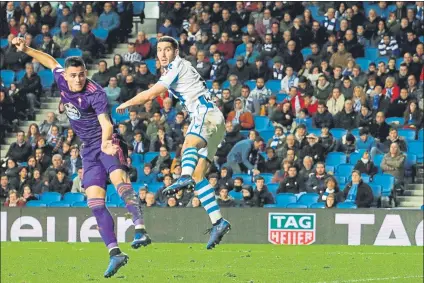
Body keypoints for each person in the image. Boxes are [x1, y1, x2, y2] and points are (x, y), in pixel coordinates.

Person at [11, 37, 150, 278]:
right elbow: (49, 60)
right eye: (73, 75)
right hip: (87, 148)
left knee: (120, 182)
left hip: (107, 143)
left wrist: (107, 142)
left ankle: (140, 229)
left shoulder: (96, 93)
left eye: (82, 75)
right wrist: (26, 49)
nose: (77, 79)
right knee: (94, 202)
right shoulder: (61, 77)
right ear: (67, 74)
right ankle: (115, 253)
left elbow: (105, 123)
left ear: (86, 73)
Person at [116, 36, 230, 249]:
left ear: (175, 52)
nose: (163, 53)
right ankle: (218, 221)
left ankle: (183, 177)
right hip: (215, 120)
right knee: (199, 176)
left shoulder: (177, 65)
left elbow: (152, 94)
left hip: (205, 114)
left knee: (188, 145)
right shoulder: (174, 69)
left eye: (168, 49)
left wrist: (128, 103)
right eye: (159, 50)